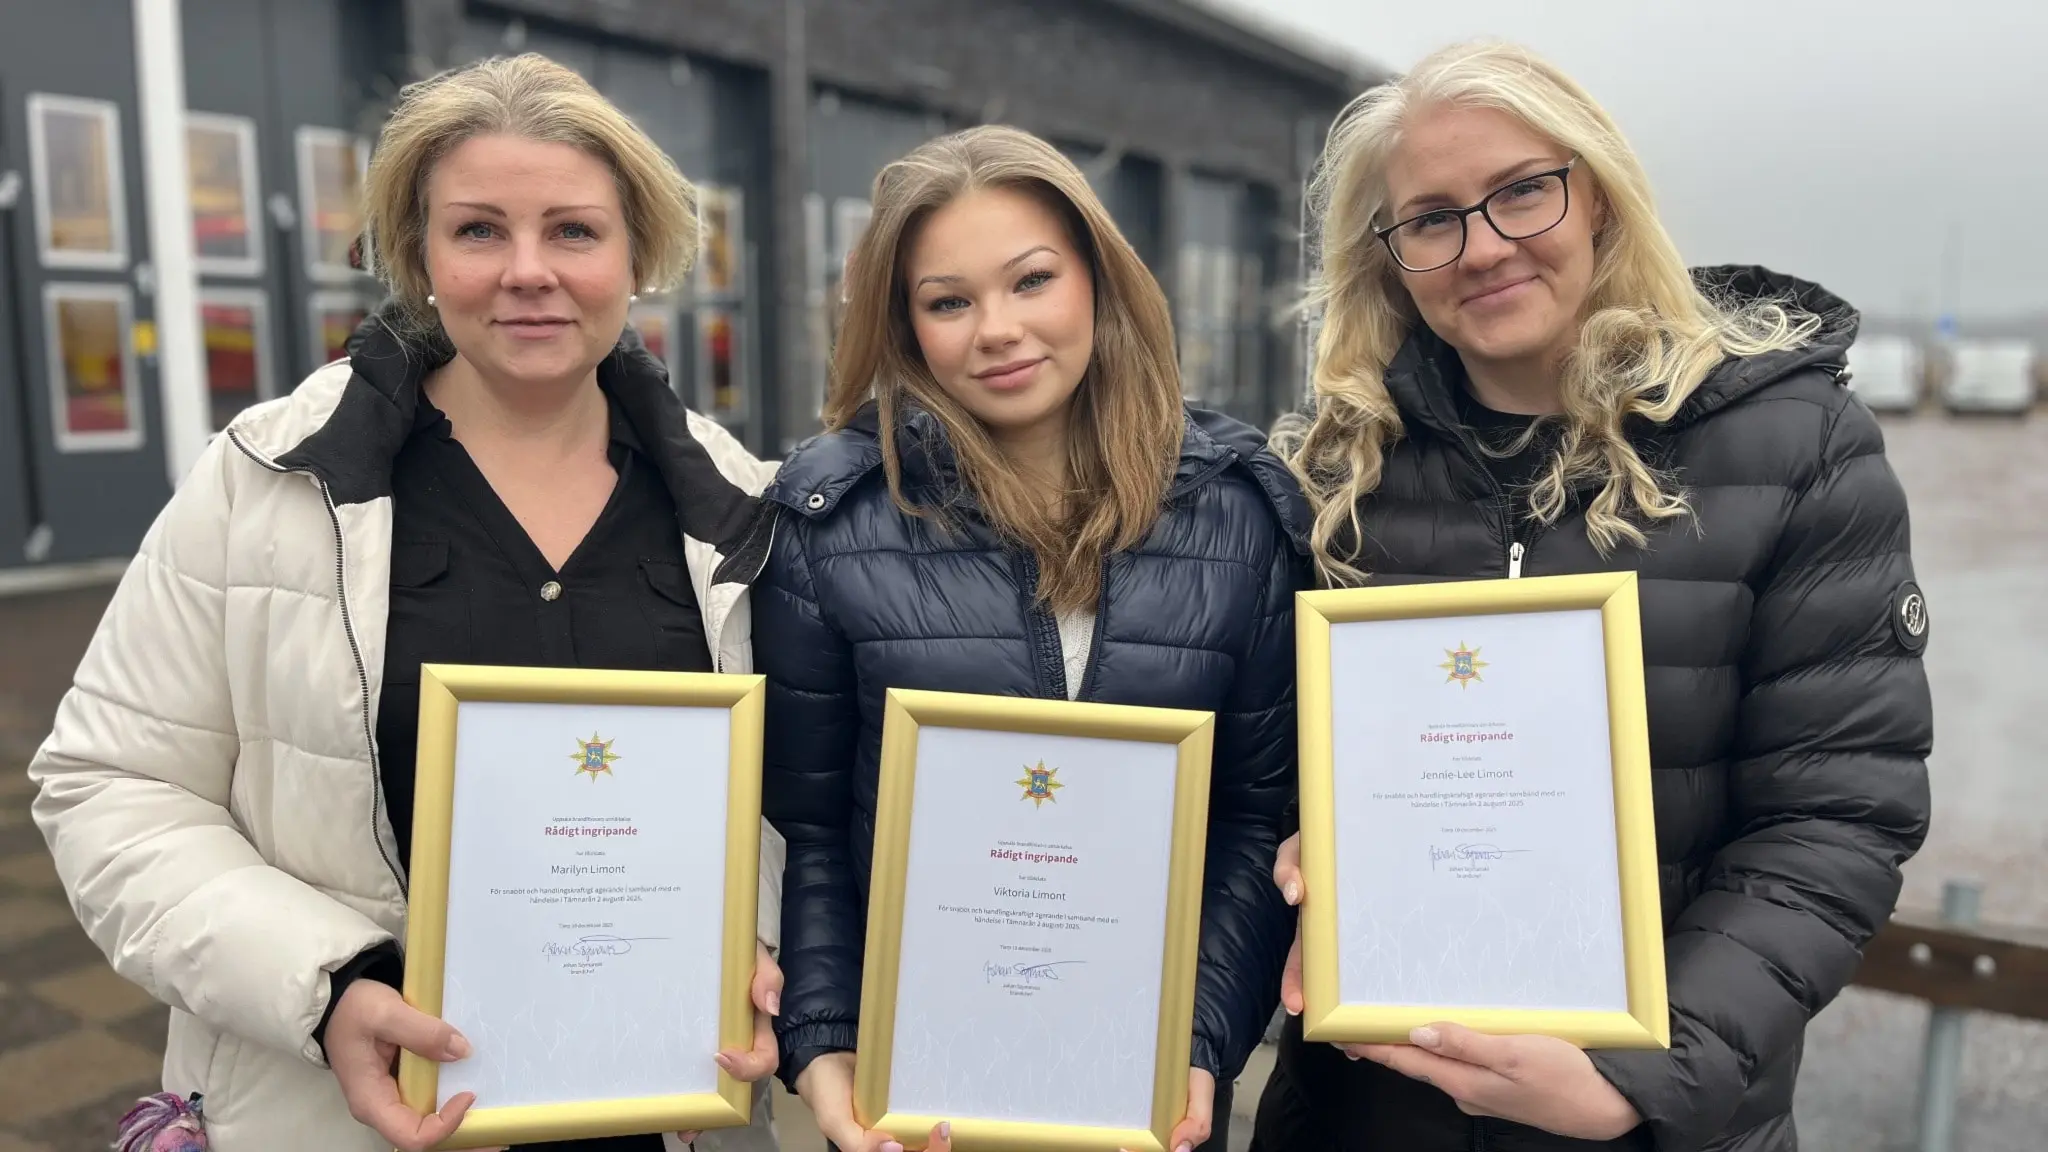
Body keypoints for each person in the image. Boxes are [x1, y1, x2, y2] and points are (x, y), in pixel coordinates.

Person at [28, 54, 788, 1152]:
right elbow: (109, 785)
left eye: (573, 231)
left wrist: (754, 945)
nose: (528, 270)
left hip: (663, 1110)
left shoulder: (745, 512)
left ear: (640, 253)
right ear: (419, 255)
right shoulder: (268, 482)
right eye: (478, 231)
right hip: (340, 1119)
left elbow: (802, 811)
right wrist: (331, 985)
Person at [1249, 40, 1933, 1152]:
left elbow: (1835, 818)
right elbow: (1263, 767)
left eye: (1521, 192)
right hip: (1361, 1117)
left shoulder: (1793, 444)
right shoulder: (1336, 475)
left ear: (1598, 199)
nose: (1480, 247)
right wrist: (1301, 837)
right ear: (1388, 258)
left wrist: (1638, 1077)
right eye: (1429, 218)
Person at [754, 125, 1309, 1152]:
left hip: (1148, 1099)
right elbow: (813, 831)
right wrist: (825, 1043)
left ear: (1098, 280)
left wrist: (1198, 1040)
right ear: (904, 323)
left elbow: (1249, 817)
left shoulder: (1238, 517)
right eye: (947, 300)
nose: (995, 330)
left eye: (1030, 281)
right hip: (912, 1096)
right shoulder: (831, 524)